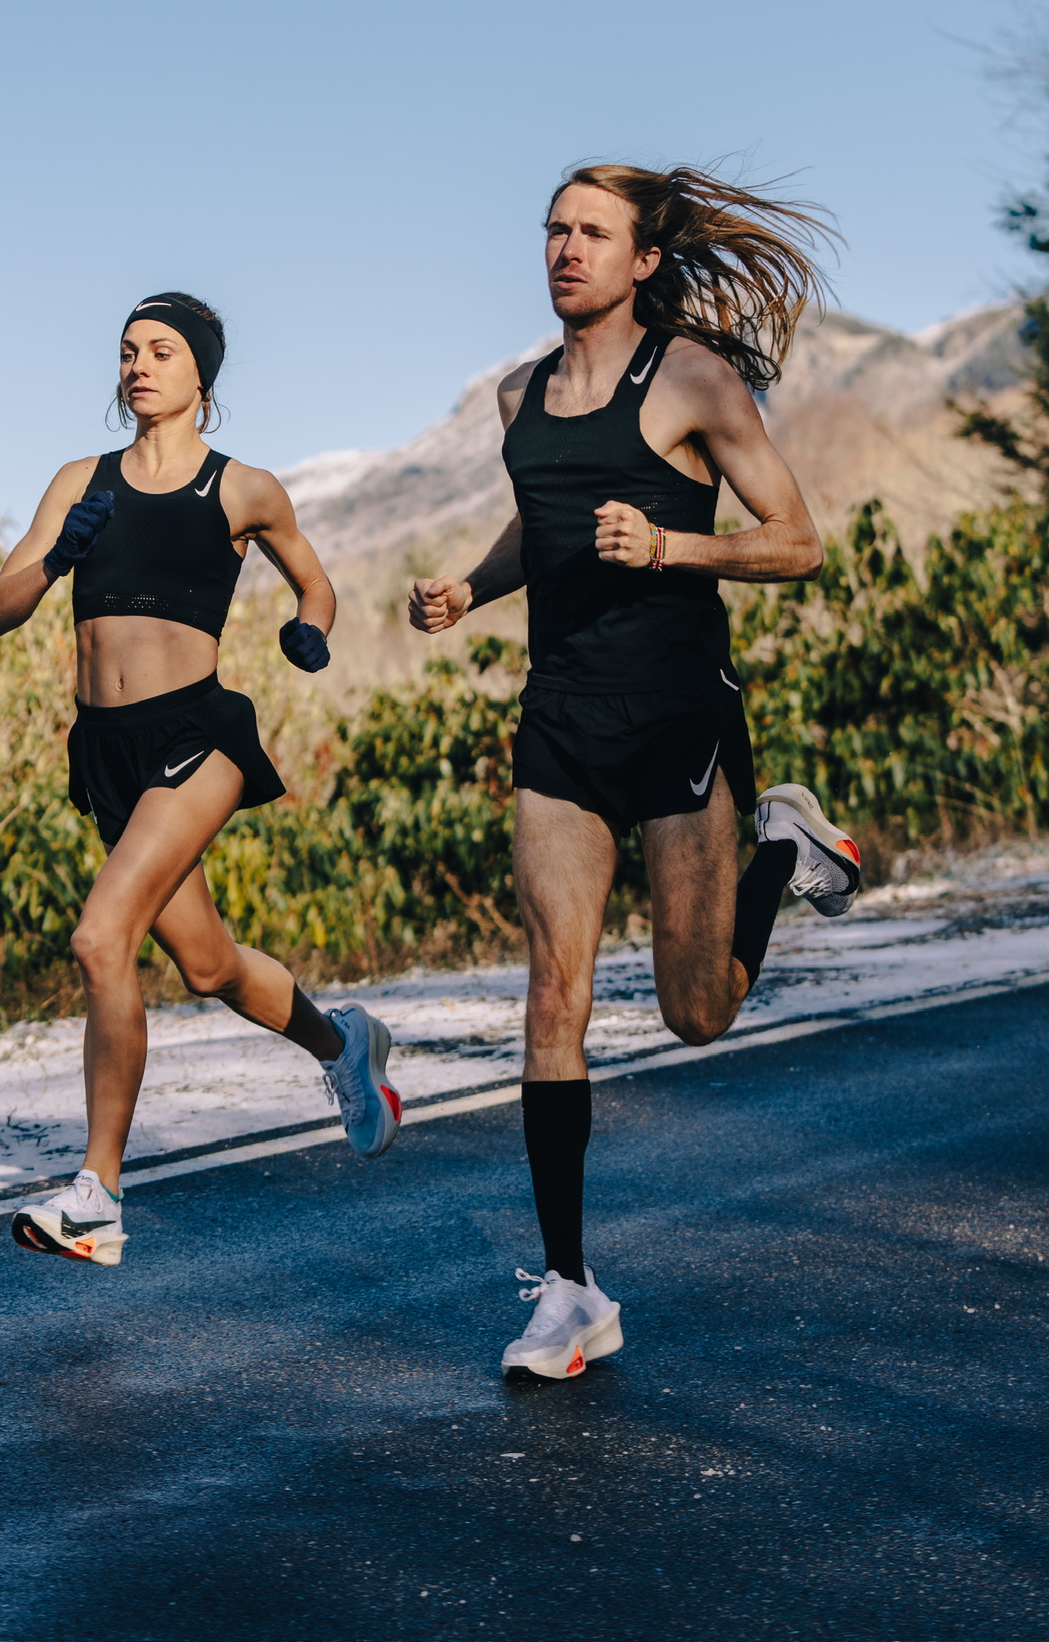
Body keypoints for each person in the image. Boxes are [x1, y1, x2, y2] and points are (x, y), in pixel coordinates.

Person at [409, 165, 860, 1379]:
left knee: (695, 1012)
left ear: (644, 259)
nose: (564, 248)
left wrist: (672, 546)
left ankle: (779, 849)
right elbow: (540, 524)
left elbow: (798, 540)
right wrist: (473, 585)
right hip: (561, 721)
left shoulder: (694, 380)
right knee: (554, 992)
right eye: (553, 229)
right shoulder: (519, 394)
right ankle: (569, 1291)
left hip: (677, 718)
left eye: (591, 233)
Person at [0, 292, 401, 1267]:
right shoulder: (79, 481)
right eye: (127, 351)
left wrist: (312, 629)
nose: (138, 365)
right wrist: (56, 556)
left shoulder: (240, 488)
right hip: (109, 754)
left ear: (199, 375)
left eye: (161, 351)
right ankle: (342, 1044)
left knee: (100, 935)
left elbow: (316, 578)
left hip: (197, 735)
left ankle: (97, 1195)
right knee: (206, 965)